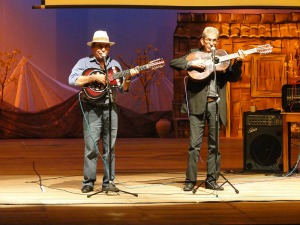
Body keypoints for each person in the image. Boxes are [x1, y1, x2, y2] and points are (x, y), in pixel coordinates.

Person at [170, 26, 246, 191]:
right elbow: (174, 63)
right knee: (194, 145)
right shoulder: (194, 54)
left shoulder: (222, 58)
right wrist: (192, 64)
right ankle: (190, 180)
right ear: (202, 41)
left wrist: (238, 62)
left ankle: (212, 179)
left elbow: (233, 77)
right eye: (208, 40)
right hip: (197, 105)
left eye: (214, 40)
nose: (211, 43)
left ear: (217, 42)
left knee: (215, 145)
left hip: (215, 105)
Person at [69, 30, 139, 193]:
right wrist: (93, 78)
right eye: (100, 46)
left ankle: (109, 181)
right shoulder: (84, 63)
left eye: (106, 47)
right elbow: (72, 79)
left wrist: (128, 77)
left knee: (110, 146)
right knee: (91, 146)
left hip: (111, 108)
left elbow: (122, 89)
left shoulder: (115, 66)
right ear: (93, 48)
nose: (103, 50)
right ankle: (88, 182)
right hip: (92, 109)